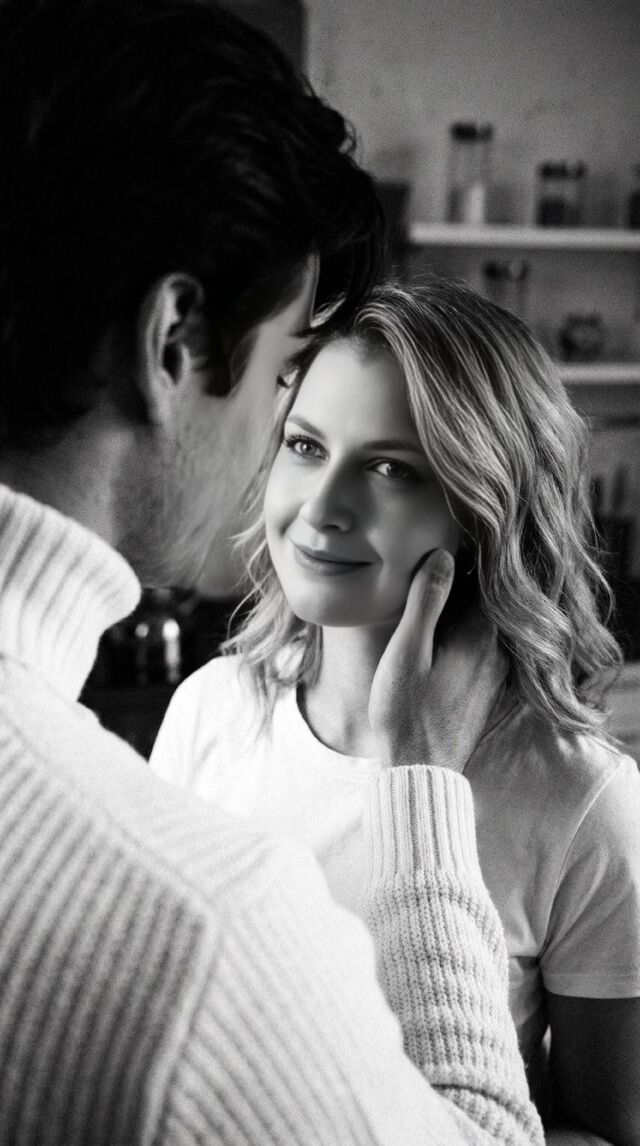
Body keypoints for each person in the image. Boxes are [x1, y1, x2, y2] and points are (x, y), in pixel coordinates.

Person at [0, 1, 544, 1142]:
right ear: (174, 343)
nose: (281, 464)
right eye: (287, 381)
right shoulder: (211, 942)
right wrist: (422, 795)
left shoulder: (577, 796)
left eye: (388, 465)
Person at [151, 278, 640, 1146]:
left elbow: (607, 1130)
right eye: (305, 445)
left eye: (390, 469)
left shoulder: (584, 799)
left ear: (485, 510)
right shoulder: (209, 713)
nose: (321, 507)